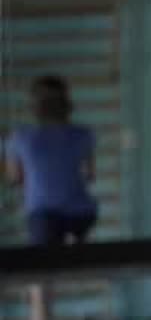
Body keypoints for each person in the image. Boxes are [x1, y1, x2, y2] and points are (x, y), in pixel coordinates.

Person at [5, 74, 98, 246]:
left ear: (35, 105)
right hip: (80, 212)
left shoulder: (20, 138)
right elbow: (89, 174)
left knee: (45, 259)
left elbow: (14, 178)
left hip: (43, 214)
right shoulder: (83, 135)